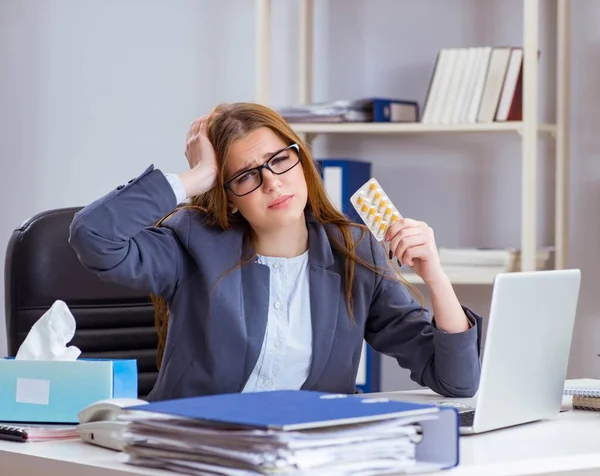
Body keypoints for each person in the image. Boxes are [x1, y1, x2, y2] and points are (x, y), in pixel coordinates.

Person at [69, 102, 482, 402]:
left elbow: (458, 382)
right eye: (247, 176)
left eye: (279, 160)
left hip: (305, 457)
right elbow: (93, 236)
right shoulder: (191, 242)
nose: (272, 183)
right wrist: (199, 176)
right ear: (228, 197)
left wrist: (435, 276)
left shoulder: (353, 251)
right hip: (194, 451)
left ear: (301, 162)